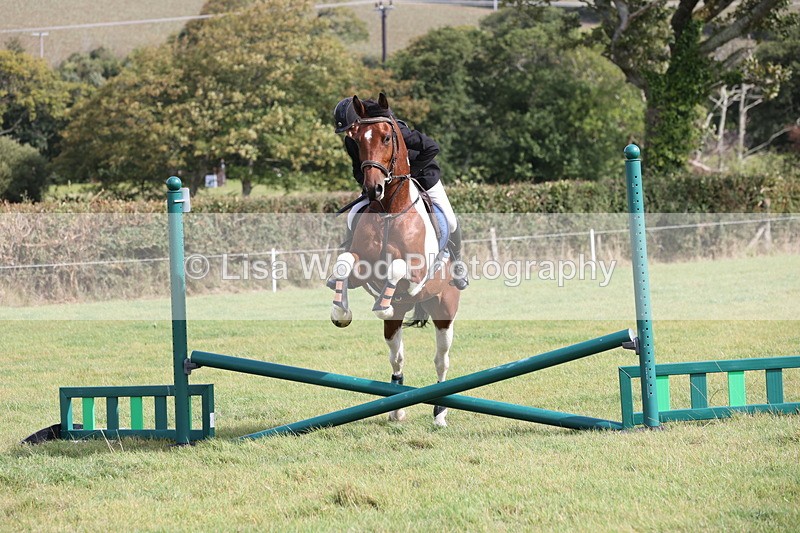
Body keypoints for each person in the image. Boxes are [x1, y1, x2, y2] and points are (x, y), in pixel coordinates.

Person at [333, 96, 468, 290]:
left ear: (361, 119)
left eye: (352, 127)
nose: (349, 133)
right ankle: (349, 257)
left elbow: (432, 148)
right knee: (353, 214)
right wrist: (370, 184)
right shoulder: (354, 140)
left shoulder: (395, 130)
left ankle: (457, 264)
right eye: (345, 130)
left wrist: (408, 174)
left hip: (423, 176)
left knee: (450, 220)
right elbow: (357, 169)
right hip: (385, 183)